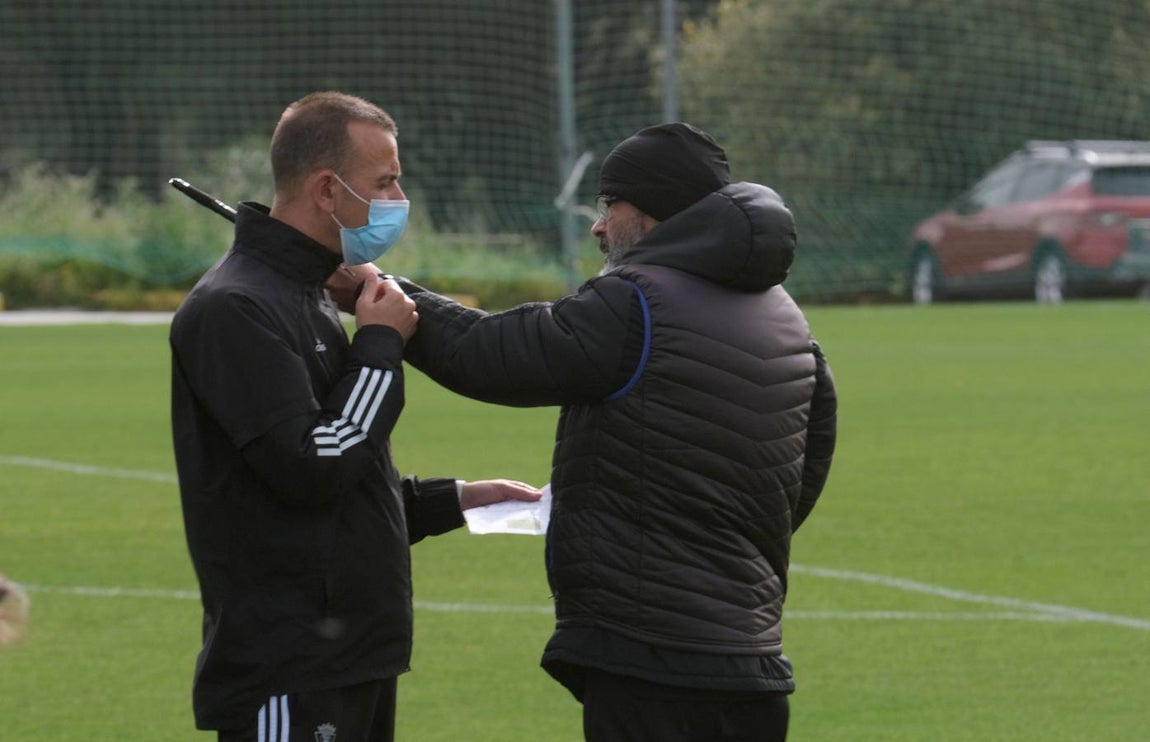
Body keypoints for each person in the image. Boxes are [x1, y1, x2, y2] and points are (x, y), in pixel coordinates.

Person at [391, 122, 838, 741]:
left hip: (651, 660)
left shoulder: (638, 301)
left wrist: (389, 300)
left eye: (611, 204)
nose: (599, 225)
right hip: (751, 661)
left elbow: (492, 355)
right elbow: (798, 483)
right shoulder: (790, 321)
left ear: (654, 210)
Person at [169, 91, 539, 742]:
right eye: (386, 181)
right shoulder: (235, 308)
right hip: (290, 667)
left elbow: (343, 488)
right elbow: (317, 464)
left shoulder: (310, 293)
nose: (398, 197)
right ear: (326, 189)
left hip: (353, 659)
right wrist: (379, 345)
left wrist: (455, 501)